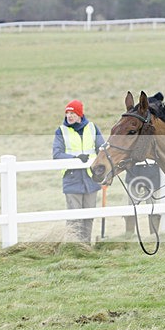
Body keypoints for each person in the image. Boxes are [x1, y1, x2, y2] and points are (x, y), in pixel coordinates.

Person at [52, 99, 105, 243]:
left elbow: (102, 150)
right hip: (72, 179)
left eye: (73, 113)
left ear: (80, 114)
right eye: (67, 113)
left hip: (91, 179)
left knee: (89, 215)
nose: (69, 116)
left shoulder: (92, 128)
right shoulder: (61, 131)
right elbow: (57, 154)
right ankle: (74, 246)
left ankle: (86, 246)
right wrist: (75, 158)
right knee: (74, 217)